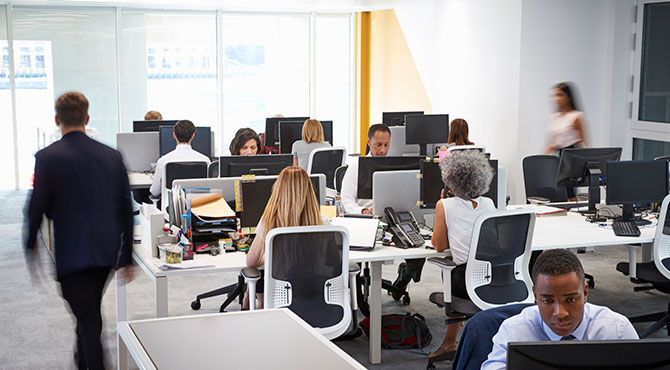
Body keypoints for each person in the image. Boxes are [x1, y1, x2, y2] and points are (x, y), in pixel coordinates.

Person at [25, 92, 134, 370]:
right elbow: (125, 206)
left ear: (57, 119)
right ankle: (81, 361)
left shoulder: (47, 157)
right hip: (106, 252)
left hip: (72, 254)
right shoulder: (111, 155)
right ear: (87, 118)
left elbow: (36, 207)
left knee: (89, 322)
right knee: (87, 314)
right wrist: (127, 255)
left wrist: (30, 245)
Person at [481, 249, 638, 370]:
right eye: (547, 301)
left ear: (585, 292)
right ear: (535, 295)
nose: (560, 313)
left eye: (571, 300)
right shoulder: (514, 331)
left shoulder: (617, 330)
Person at [340, 123, 425, 297]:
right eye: (379, 144)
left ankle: (405, 275)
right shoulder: (356, 166)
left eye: (386, 145)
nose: (382, 150)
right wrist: (362, 212)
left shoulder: (392, 165)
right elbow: (346, 200)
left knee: (420, 247)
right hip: (365, 221)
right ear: (369, 142)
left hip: (390, 218)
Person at [429, 150, 496, 359]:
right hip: (492, 276)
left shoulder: (445, 205)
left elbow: (439, 245)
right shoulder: (489, 204)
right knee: (455, 267)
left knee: (449, 268)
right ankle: (451, 341)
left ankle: (450, 341)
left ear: (451, 179)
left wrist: (442, 211)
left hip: (466, 280)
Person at [245, 166, 328, 308]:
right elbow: (332, 259)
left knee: (256, 277)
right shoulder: (323, 221)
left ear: (278, 191)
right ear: (309, 191)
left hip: (281, 300)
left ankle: (248, 304)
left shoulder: (269, 222)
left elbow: (251, 262)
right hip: (319, 297)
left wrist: (270, 256)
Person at [149, 119, 211, 198]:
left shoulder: (164, 161)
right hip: (197, 206)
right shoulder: (205, 160)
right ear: (193, 136)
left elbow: (155, 191)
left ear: (174, 135)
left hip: (170, 208)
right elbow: (209, 189)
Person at [544, 82, 588, 154]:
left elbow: (583, 142)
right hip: (558, 155)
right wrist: (541, 159)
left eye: (560, 95)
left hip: (572, 156)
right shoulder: (553, 117)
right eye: (555, 95)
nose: (557, 99)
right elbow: (552, 143)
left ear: (568, 97)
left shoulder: (576, 116)